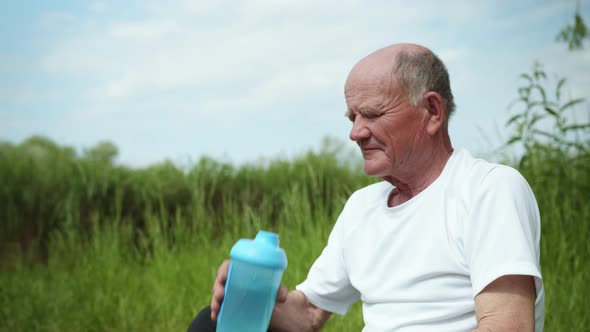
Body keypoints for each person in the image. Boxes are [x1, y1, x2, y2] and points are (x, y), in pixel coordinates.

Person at [187, 43, 544, 331]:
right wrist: (253, 297)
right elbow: (309, 314)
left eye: (372, 114)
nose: (355, 132)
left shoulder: (488, 189)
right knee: (211, 323)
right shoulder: (362, 206)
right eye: (352, 117)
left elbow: (507, 325)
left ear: (432, 112)